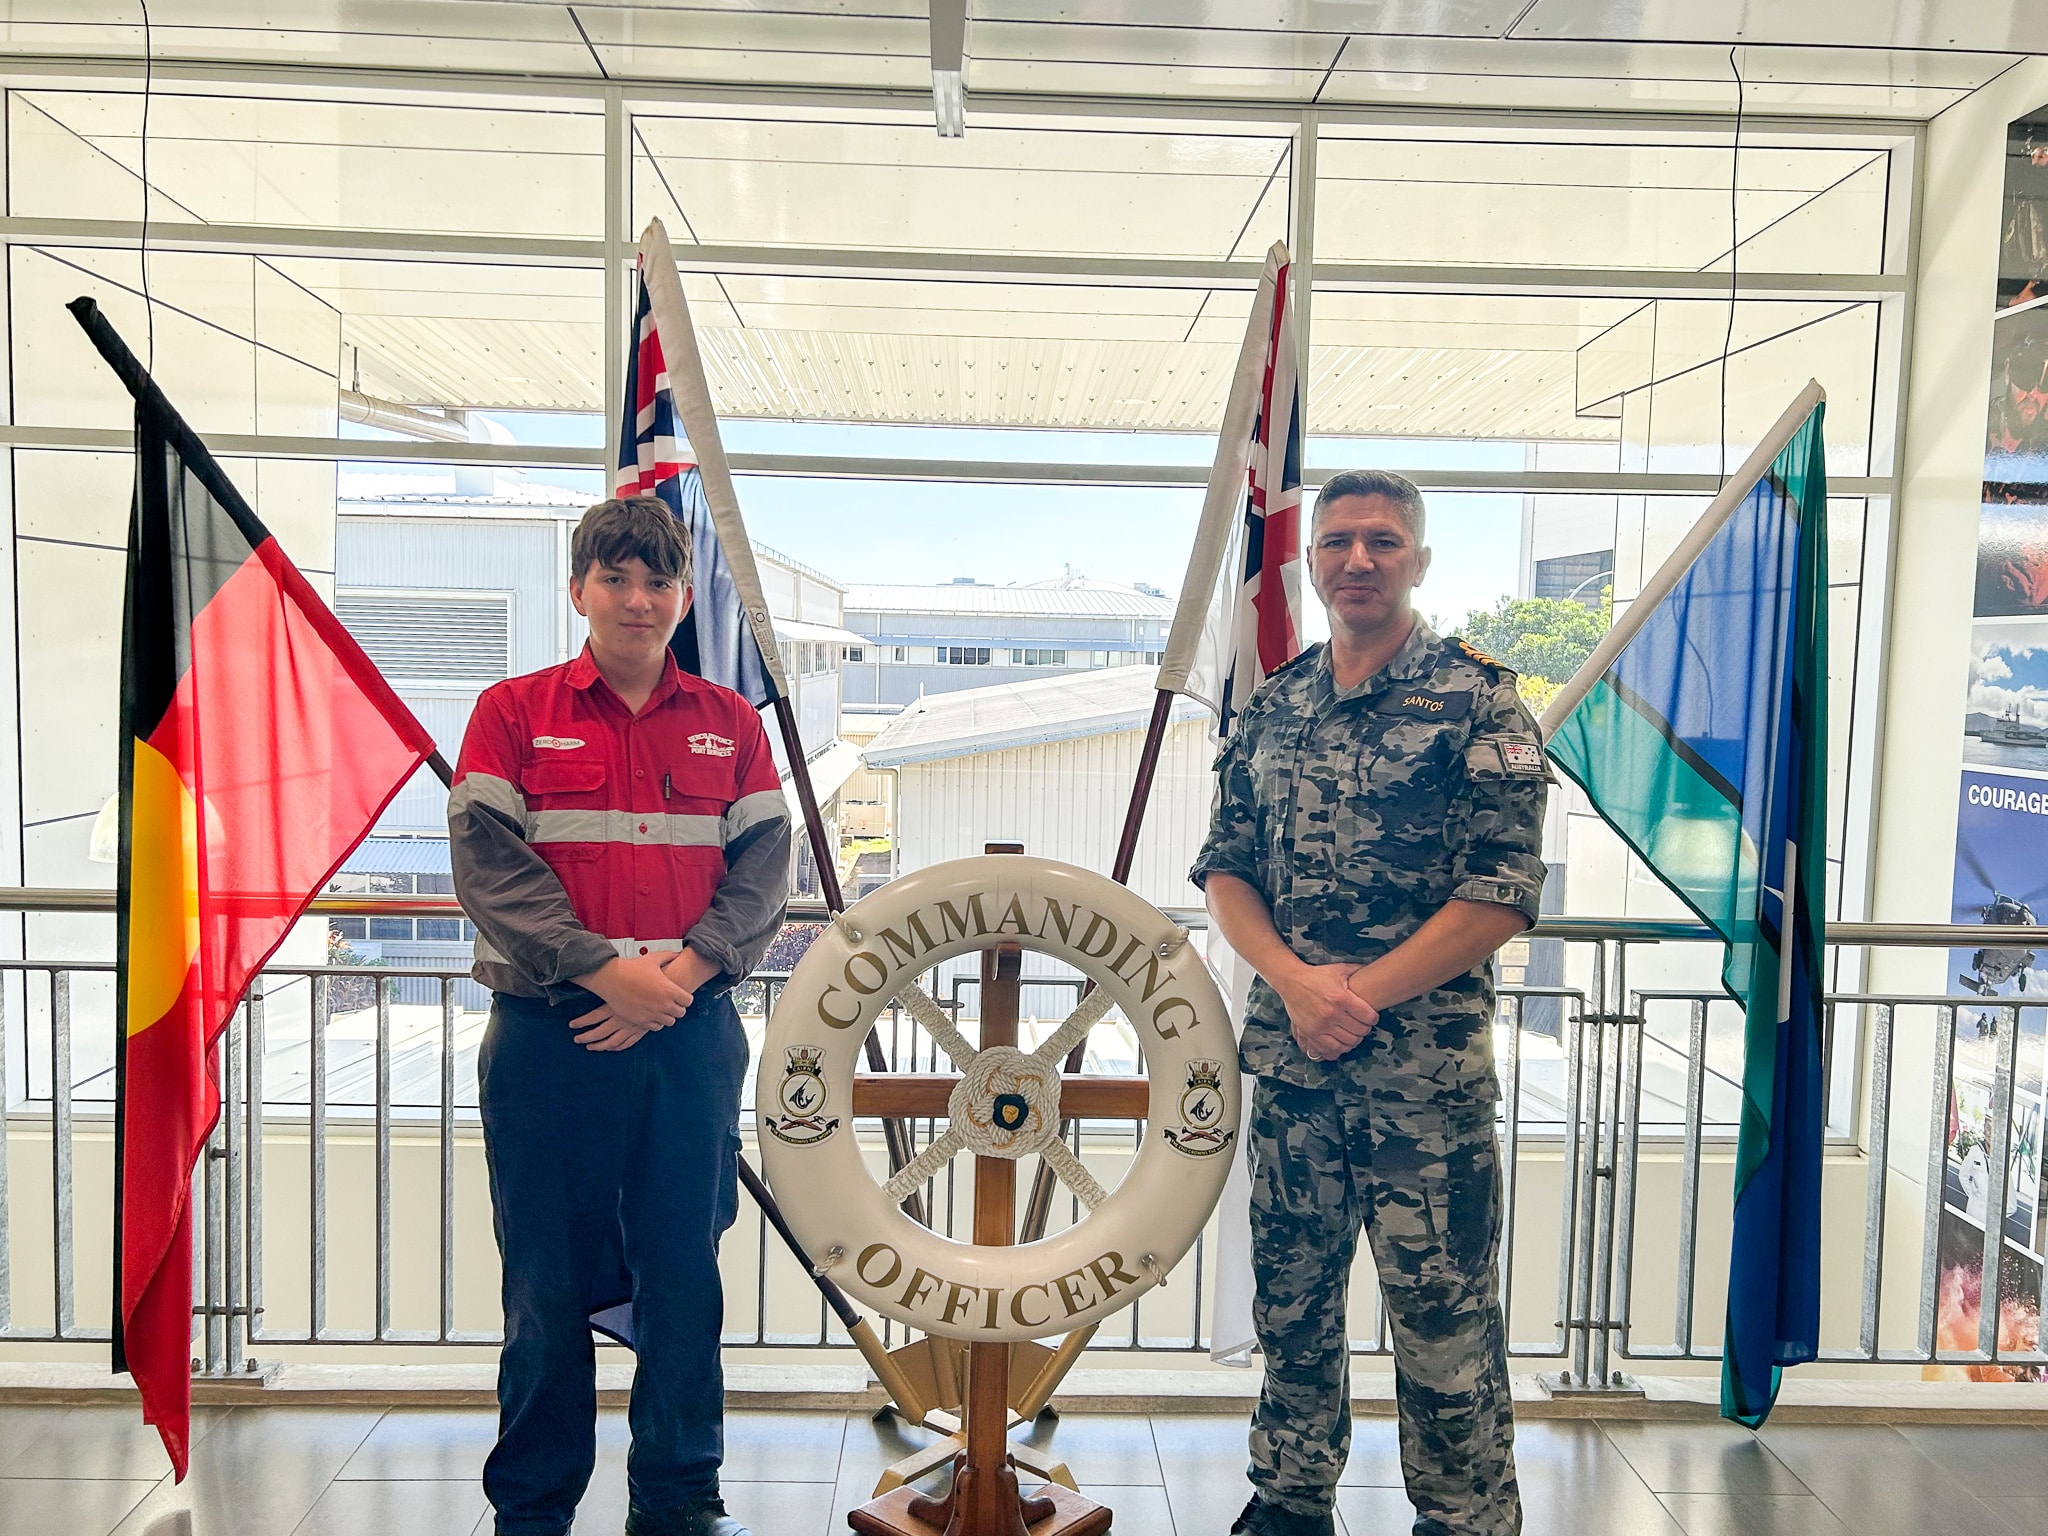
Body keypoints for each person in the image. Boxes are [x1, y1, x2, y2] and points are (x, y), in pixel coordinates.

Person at [1191, 469, 1552, 1536]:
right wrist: (1297, 986)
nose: (1358, 559)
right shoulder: (1275, 704)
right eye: (1338, 541)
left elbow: (1500, 892)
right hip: (1295, 1073)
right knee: (1291, 1306)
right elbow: (1226, 869)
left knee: (1443, 1320)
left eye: (1383, 542)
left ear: (1418, 562)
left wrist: (1352, 998)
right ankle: (1290, 1499)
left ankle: (1463, 1516)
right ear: (1311, 562)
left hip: (1422, 1087)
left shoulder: (1480, 701)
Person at [449, 495, 792, 1536]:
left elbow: (763, 872)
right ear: (578, 591)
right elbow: (490, 870)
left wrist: (674, 981)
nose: (638, 600)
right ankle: (532, 1508)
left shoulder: (733, 723)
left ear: (682, 597)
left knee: (683, 1275)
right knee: (544, 1284)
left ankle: (680, 1499)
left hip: (687, 1038)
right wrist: (604, 974)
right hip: (548, 1039)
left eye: (657, 581)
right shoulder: (511, 712)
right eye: (615, 579)